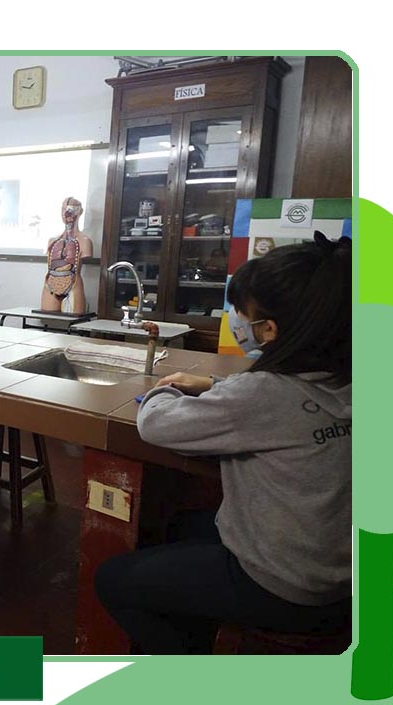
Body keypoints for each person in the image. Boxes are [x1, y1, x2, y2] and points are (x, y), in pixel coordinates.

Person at [94, 232, 352, 654]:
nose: (235, 319)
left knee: (113, 580)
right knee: (179, 525)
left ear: (269, 328)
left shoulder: (263, 393)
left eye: (240, 312)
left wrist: (163, 389)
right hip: (348, 580)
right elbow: (281, 405)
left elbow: (157, 425)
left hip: (285, 587)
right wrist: (217, 384)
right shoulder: (348, 378)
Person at [40, 197, 93, 314]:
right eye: (63, 209)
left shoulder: (85, 241)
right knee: (48, 321)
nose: (66, 213)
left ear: (80, 212)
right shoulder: (52, 241)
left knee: (74, 324)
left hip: (73, 283)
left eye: (71, 209)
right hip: (51, 283)